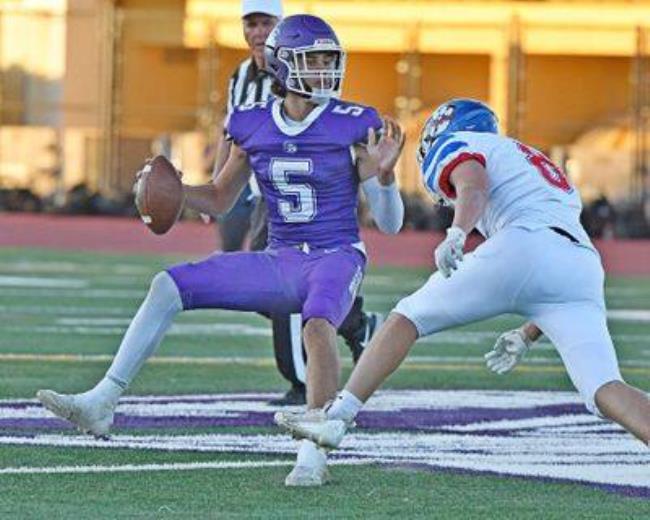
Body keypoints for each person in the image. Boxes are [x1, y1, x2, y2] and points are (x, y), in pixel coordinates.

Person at [36, 14, 405, 487]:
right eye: (312, 60)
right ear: (283, 65)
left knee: (317, 327)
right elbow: (220, 198)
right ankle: (102, 401)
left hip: (337, 255)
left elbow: (391, 225)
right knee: (168, 285)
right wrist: (174, 192)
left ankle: (313, 455)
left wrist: (387, 176)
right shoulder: (250, 123)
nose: (324, 71)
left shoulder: (353, 124)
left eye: (328, 61)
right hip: (281, 258)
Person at [275, 98, 650, 454]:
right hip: (581, 264)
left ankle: (337, 417)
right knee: (604, 387)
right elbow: (552, 265)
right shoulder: (533, 163)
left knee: (407, 316)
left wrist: (458, 231)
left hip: (524, 244)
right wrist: (526, 333)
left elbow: (474, 183)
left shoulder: (461, 142)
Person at [211, 0, 383, 406]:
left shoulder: (304, 62)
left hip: (302, 190)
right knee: (262, 285)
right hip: (257, 189)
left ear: (280, 30)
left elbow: (325, 117)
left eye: (265, 23)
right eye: (250, 23)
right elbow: (229, 134)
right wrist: (215, 185)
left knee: (283, 285)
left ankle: (303, 382)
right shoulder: (240, 77)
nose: (256, 32)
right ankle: (356, 324)